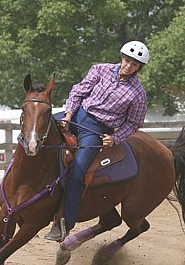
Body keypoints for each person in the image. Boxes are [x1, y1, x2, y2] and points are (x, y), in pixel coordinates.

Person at [45, 40, 149, 241]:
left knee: (78, 170)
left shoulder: (138, 94)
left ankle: (64, 222)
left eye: (134, 64)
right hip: (75, 115)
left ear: (139, 68)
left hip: (95, 131)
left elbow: (134, 123)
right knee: (38, 130)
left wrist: (115, 137)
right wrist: (67, 116)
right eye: (127, 60)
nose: (128, 65)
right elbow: (78, 92)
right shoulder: (100, 70)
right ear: (122, 57)